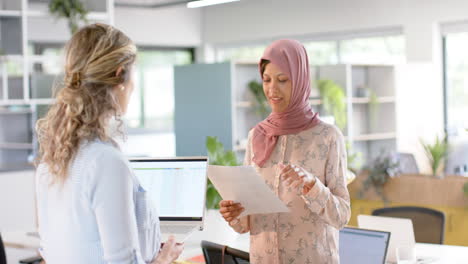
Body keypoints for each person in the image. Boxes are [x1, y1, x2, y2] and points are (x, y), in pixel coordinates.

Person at [35, 23, 183, 264]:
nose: (134, 86)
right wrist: (165, 258)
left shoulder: (51, 162)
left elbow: (49, 254)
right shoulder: (106, 162)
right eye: (133, 74)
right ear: (120, 74)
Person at [219, 39, 351, 264]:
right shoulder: (256, 136)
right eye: (266, 80)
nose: (272, 89)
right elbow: (247, 222)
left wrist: (312, 187)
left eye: (282, 80)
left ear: (300, 80)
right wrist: (235, 215)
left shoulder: (327, 136)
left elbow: (341, 217)